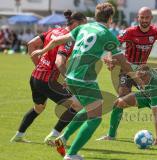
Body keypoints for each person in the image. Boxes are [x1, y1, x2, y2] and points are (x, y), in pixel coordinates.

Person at [32, 3, 141, 160]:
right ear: (111, 18)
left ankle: (62, 138)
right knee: (95, 119)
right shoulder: (107, 35)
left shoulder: (84, 28)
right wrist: (138, 79)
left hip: (71, 77)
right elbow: (123, 62)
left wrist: (42, 50)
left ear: (96, 16)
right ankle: (71, 154)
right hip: (84, 80)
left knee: (88, 108)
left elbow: (56, 41)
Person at [98, 6, 157, 141]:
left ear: (151, 18)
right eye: (142, 17)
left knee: (154, 99)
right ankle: (111, 135)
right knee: (120, 100)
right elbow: (114, 44)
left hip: (143, 73)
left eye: (147, 17)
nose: (144, 20)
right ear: (138, 18)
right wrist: (109, 58)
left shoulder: (155, 32)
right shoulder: (130, 31)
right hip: (126, 71)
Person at [10, 10, 87, 145]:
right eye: (84, 25)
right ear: (76, 23)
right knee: (78, 104)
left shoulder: (53, 32)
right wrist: (68, 80)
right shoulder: (68, 38)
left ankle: (18, 136)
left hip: (35, 77)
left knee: (38, 108)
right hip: (47, 81)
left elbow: (31, 45)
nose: (85, 29)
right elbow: (59, 62)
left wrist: (39, 65)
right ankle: (52, 137)